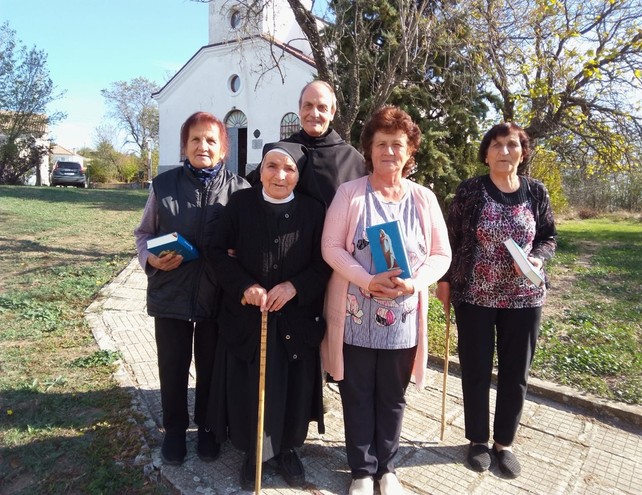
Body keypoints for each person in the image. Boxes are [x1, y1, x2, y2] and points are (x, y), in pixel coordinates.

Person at [321, 106, 452, 495]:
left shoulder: (424, 199)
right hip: (355, 314)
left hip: (404, 319)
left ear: (410, 151)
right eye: (382, 144)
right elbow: (330, 247)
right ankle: (362, 471)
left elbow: (441, 255)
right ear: (369, 149)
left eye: (398, 145)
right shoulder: (349, 194)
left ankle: (388, 469)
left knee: (393, 397)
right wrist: (365, 278)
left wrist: (415, 283)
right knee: (357, 394)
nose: (389, 152)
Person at [435, 122, 557, 479]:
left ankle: (504, 443)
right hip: (475, 296)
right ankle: (477, 441)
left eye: (512, 145)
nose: (505, 151)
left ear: (523, 151)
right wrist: (444, 280)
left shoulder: (536, 192)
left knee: (515, 373)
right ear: (486, 153)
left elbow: (549, 236)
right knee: (475, 369)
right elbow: (451, 238)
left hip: (525, 297)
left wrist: (537, 257)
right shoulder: (471, 190)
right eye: (497, 145)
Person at [207, 142, 331, 490]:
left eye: (289, 169)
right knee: (250, 384)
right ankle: (255, 451)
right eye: (271, 166)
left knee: (292, 385)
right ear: (259, 171)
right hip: (249, 316)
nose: (279, 175)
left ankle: (287, 449)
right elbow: (217, 251)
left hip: (295, 318)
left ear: (298, 175)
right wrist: (244, 286)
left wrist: (294, 287)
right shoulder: (240, 204)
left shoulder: (313, 211)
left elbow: (323, 264)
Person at [134, 111, 250, 465]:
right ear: (184, 145)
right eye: (196, 139)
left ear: (224, 148)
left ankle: (209, 428)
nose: (203, 146)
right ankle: (174, 430)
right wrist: (150, 261)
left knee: (212, 365)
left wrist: (238, 253)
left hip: (218, 296)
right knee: (172, 365)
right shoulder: (163, 185)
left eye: (211, 140)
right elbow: (143, 234)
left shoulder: (241, 190)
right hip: (171, 292)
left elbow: (249, 241)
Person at [249, 80, 366, 207]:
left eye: (322, 107)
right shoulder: (280, 152)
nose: (314, 114)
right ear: (300, 110)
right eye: (308, 106)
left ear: (332, 112)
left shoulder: (351, 160)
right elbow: (254, 194)